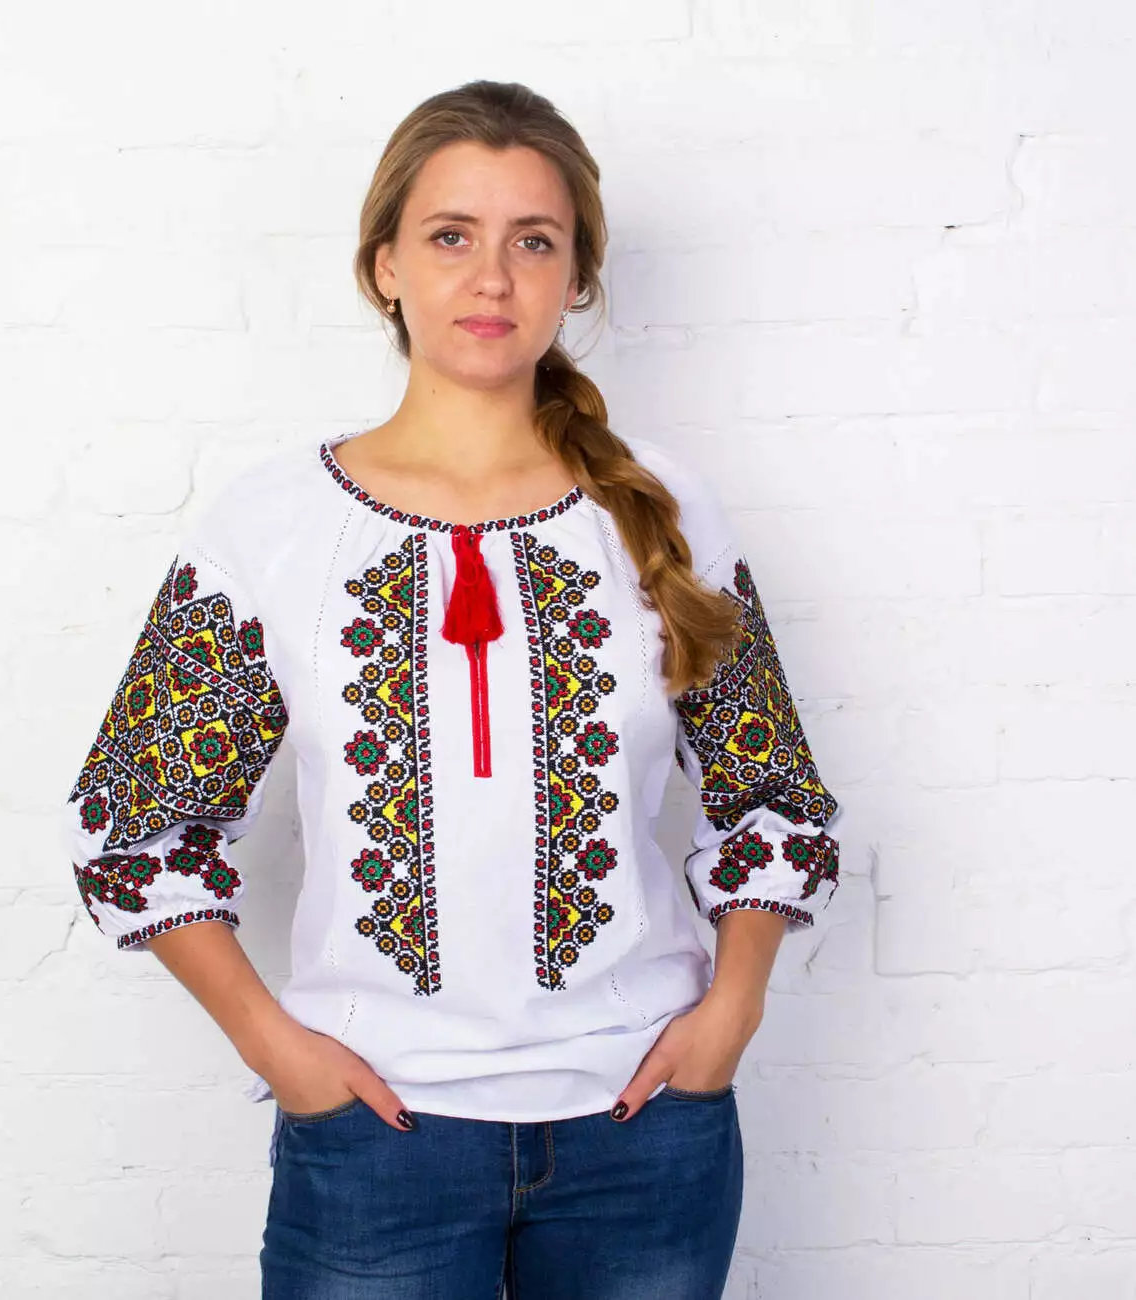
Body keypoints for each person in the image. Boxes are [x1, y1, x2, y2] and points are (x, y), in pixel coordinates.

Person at [64, 79, 843, 1300]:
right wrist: (277, 1049)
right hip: (376, 1140)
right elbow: (130, 823)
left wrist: (730, 1011)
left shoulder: (662, 512)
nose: (492, 279)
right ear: (383, 266)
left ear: (575, 277)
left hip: (646, 1130)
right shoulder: (275, 526)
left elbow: (775, 799)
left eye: (533, 241)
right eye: (449, 236)